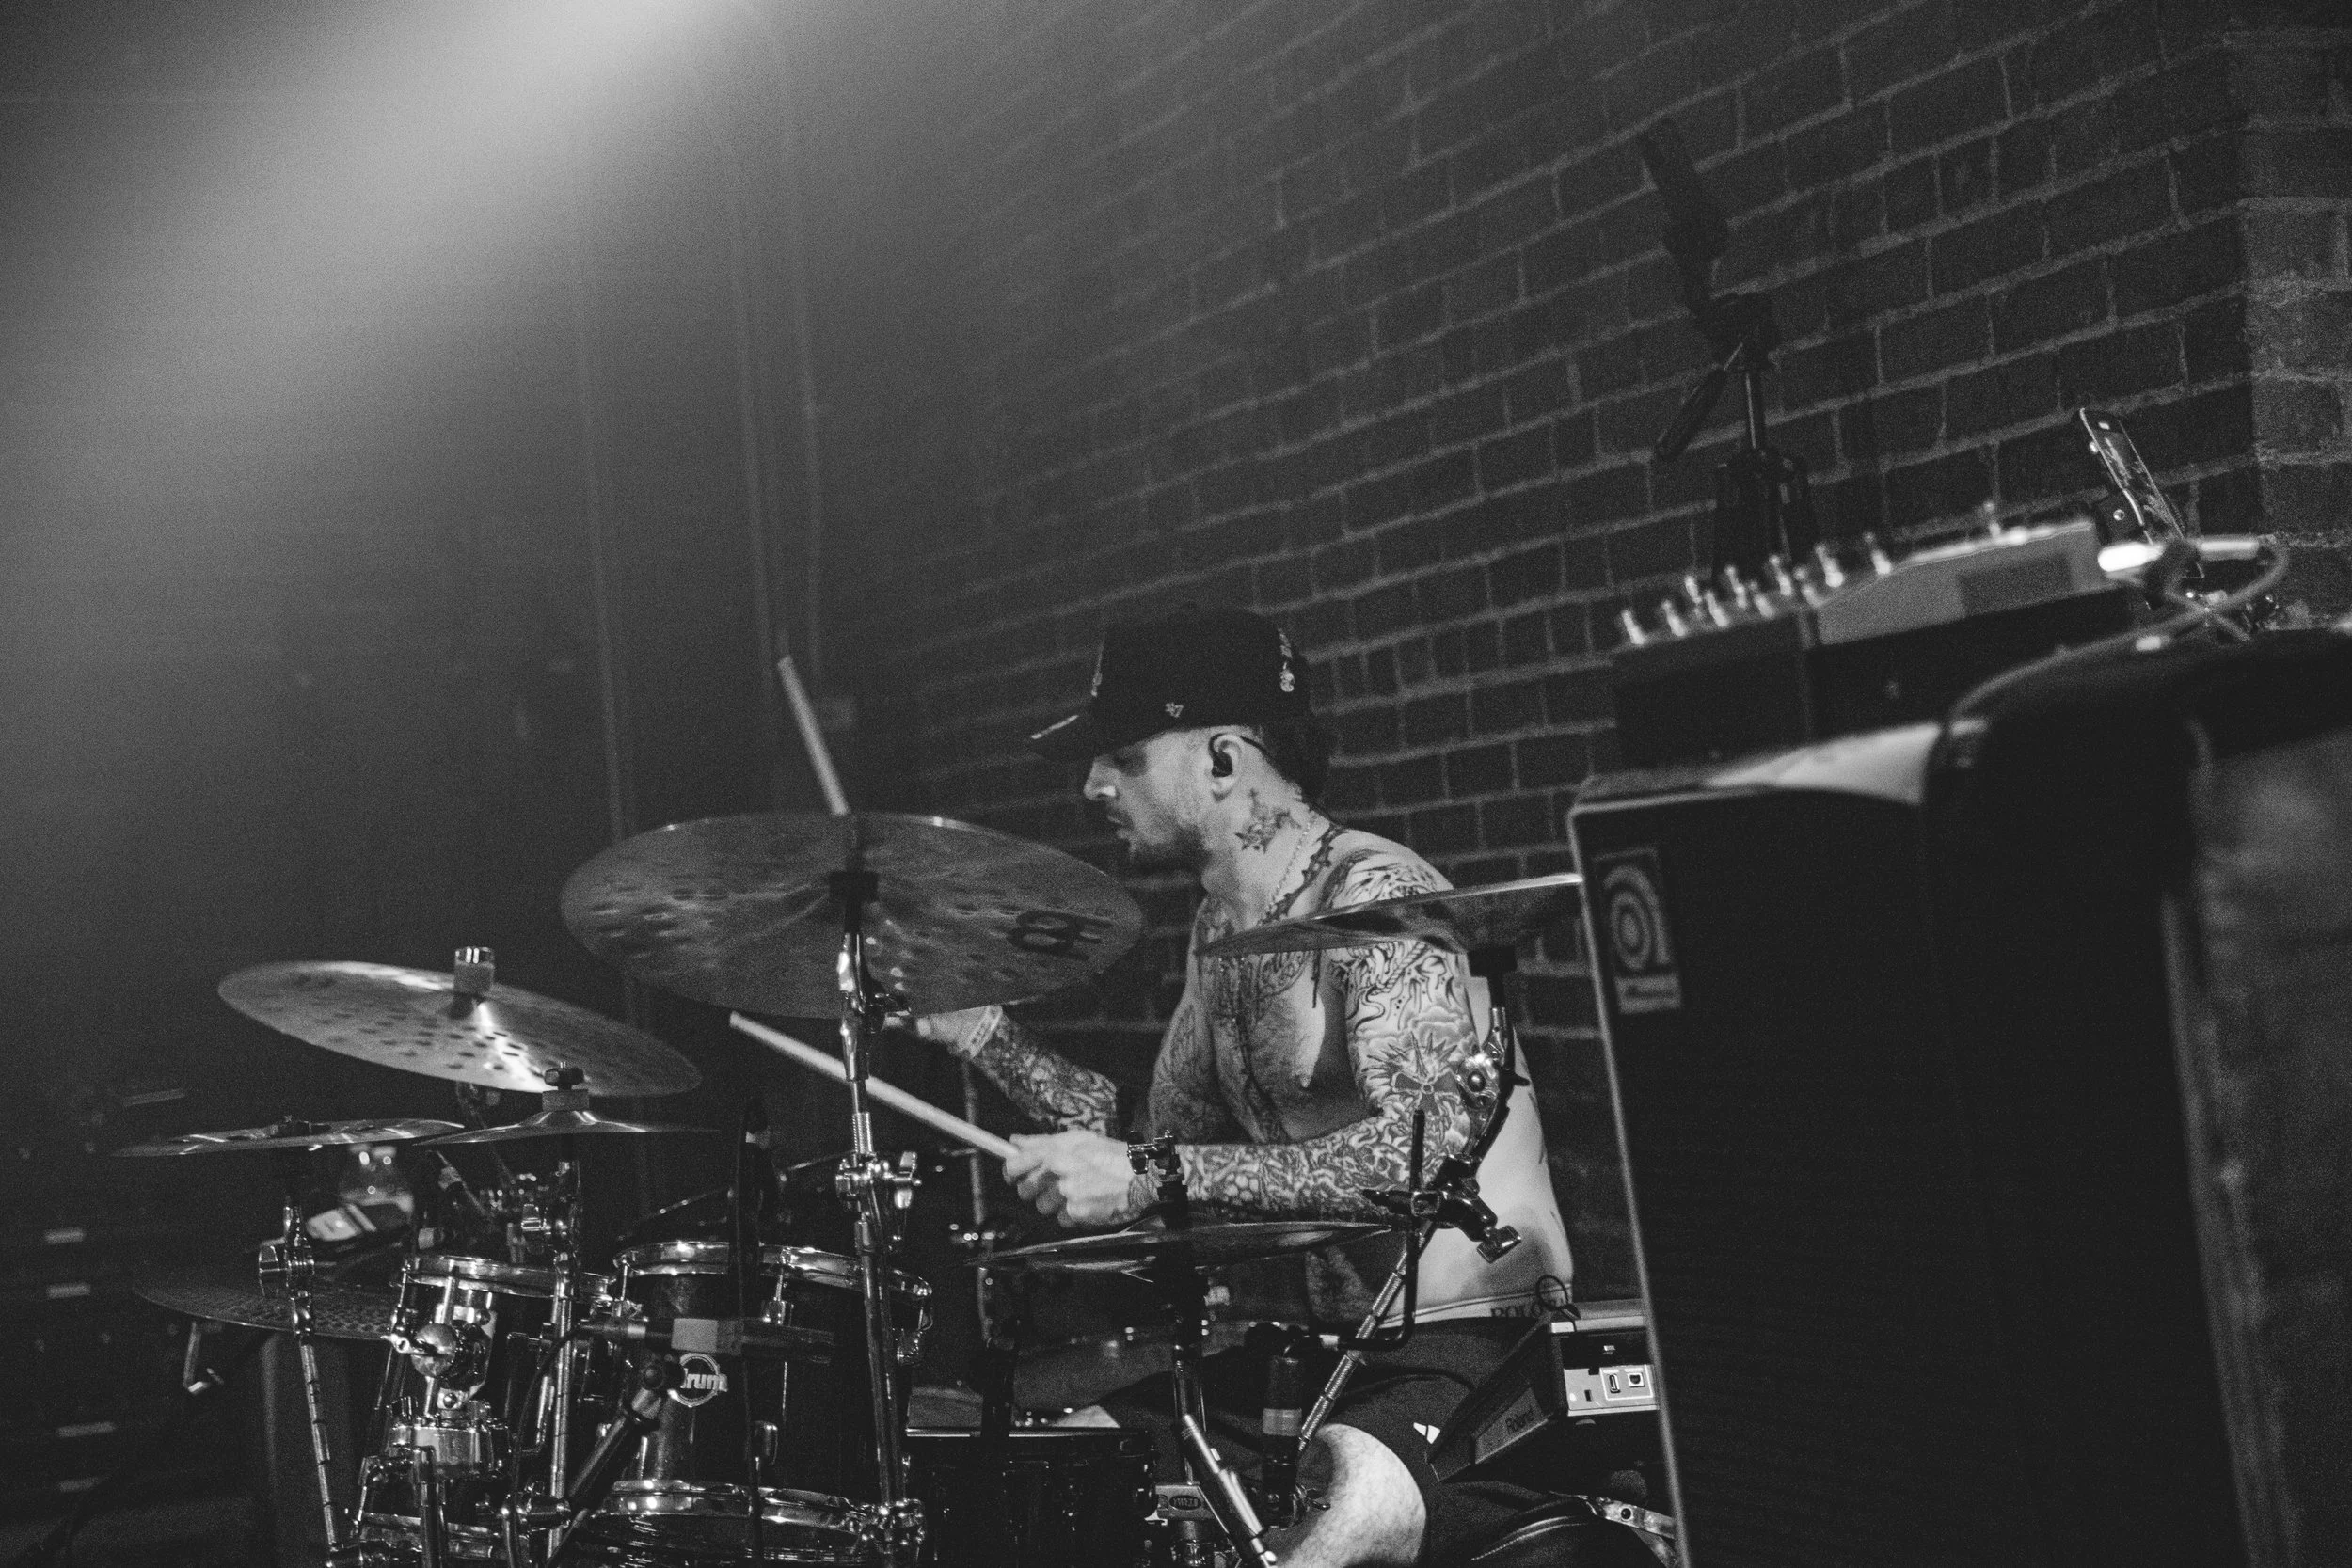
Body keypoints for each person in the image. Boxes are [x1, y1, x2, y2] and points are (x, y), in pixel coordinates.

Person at [914, 605, 1575, 1568]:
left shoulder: (1376, 896)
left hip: (1473, 1349)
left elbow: (1416, 1159)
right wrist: (981, 1029)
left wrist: (1150, 1174)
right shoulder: (1221, 930)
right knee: (1076, 1465)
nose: (1093, 784)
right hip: (1330, 1353)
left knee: (1341, 1507)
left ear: (1224, 758)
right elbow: (1155, 1139)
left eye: (1124, 756)